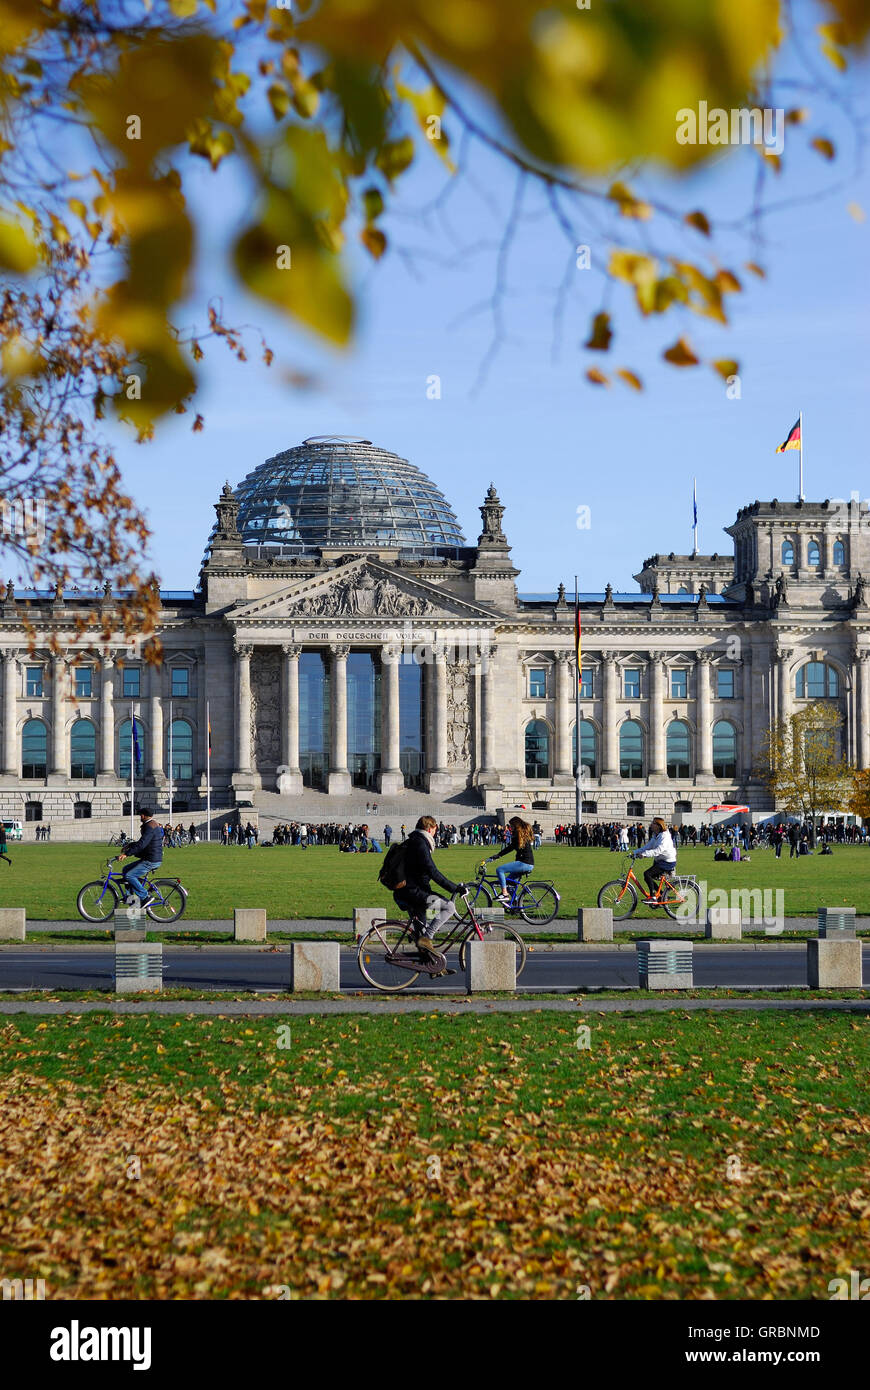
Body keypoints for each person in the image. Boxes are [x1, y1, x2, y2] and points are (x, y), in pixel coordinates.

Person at [393, 815, 466, 965]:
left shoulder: (414, 840)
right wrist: (455, 888)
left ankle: (431, 966)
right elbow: (432, 871)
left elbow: (423, 873)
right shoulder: (420, 844)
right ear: (429, 828)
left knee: (422, 928)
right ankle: (427, 938)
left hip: (409, 892)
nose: (435, 833)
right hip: (415, 893)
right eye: (434, 830)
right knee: (449, 907)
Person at [116, 808, 164, 907]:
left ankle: (145, 896)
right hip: (150, 857)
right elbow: (144, 842)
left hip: (151, 859)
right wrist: (130, 845)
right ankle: (130, 899)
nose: (140, 817)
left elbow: (142, 844)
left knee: (130, 875)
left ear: (143, 815)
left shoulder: (150, 827)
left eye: (140, 815)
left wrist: (126, 854)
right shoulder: (152, 824)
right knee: (125, 869)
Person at [486, 816, 535, 903]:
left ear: (516, 826)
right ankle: (516, 903)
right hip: (527, 863)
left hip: (524, 863)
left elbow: (510, 848)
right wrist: (497, 856)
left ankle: (504, 894)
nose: (510, 828)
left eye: (511, 826)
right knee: (508, 883)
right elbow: (511, 848)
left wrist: (497, 856)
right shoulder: (522, 835)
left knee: (500, 870)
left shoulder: (518, 836)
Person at [633, 816, 677, 903]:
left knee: (647, 874)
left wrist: (644, 855)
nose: (651, 825)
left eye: (653, 823)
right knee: (648, 877)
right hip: (660, 860)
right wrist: (634, 852)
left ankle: (653, 897)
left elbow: (658, 851)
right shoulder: (656, 835)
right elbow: (647, 846)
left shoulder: (665, 836)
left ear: (658, 825)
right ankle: (661, 895)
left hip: (667, 861)